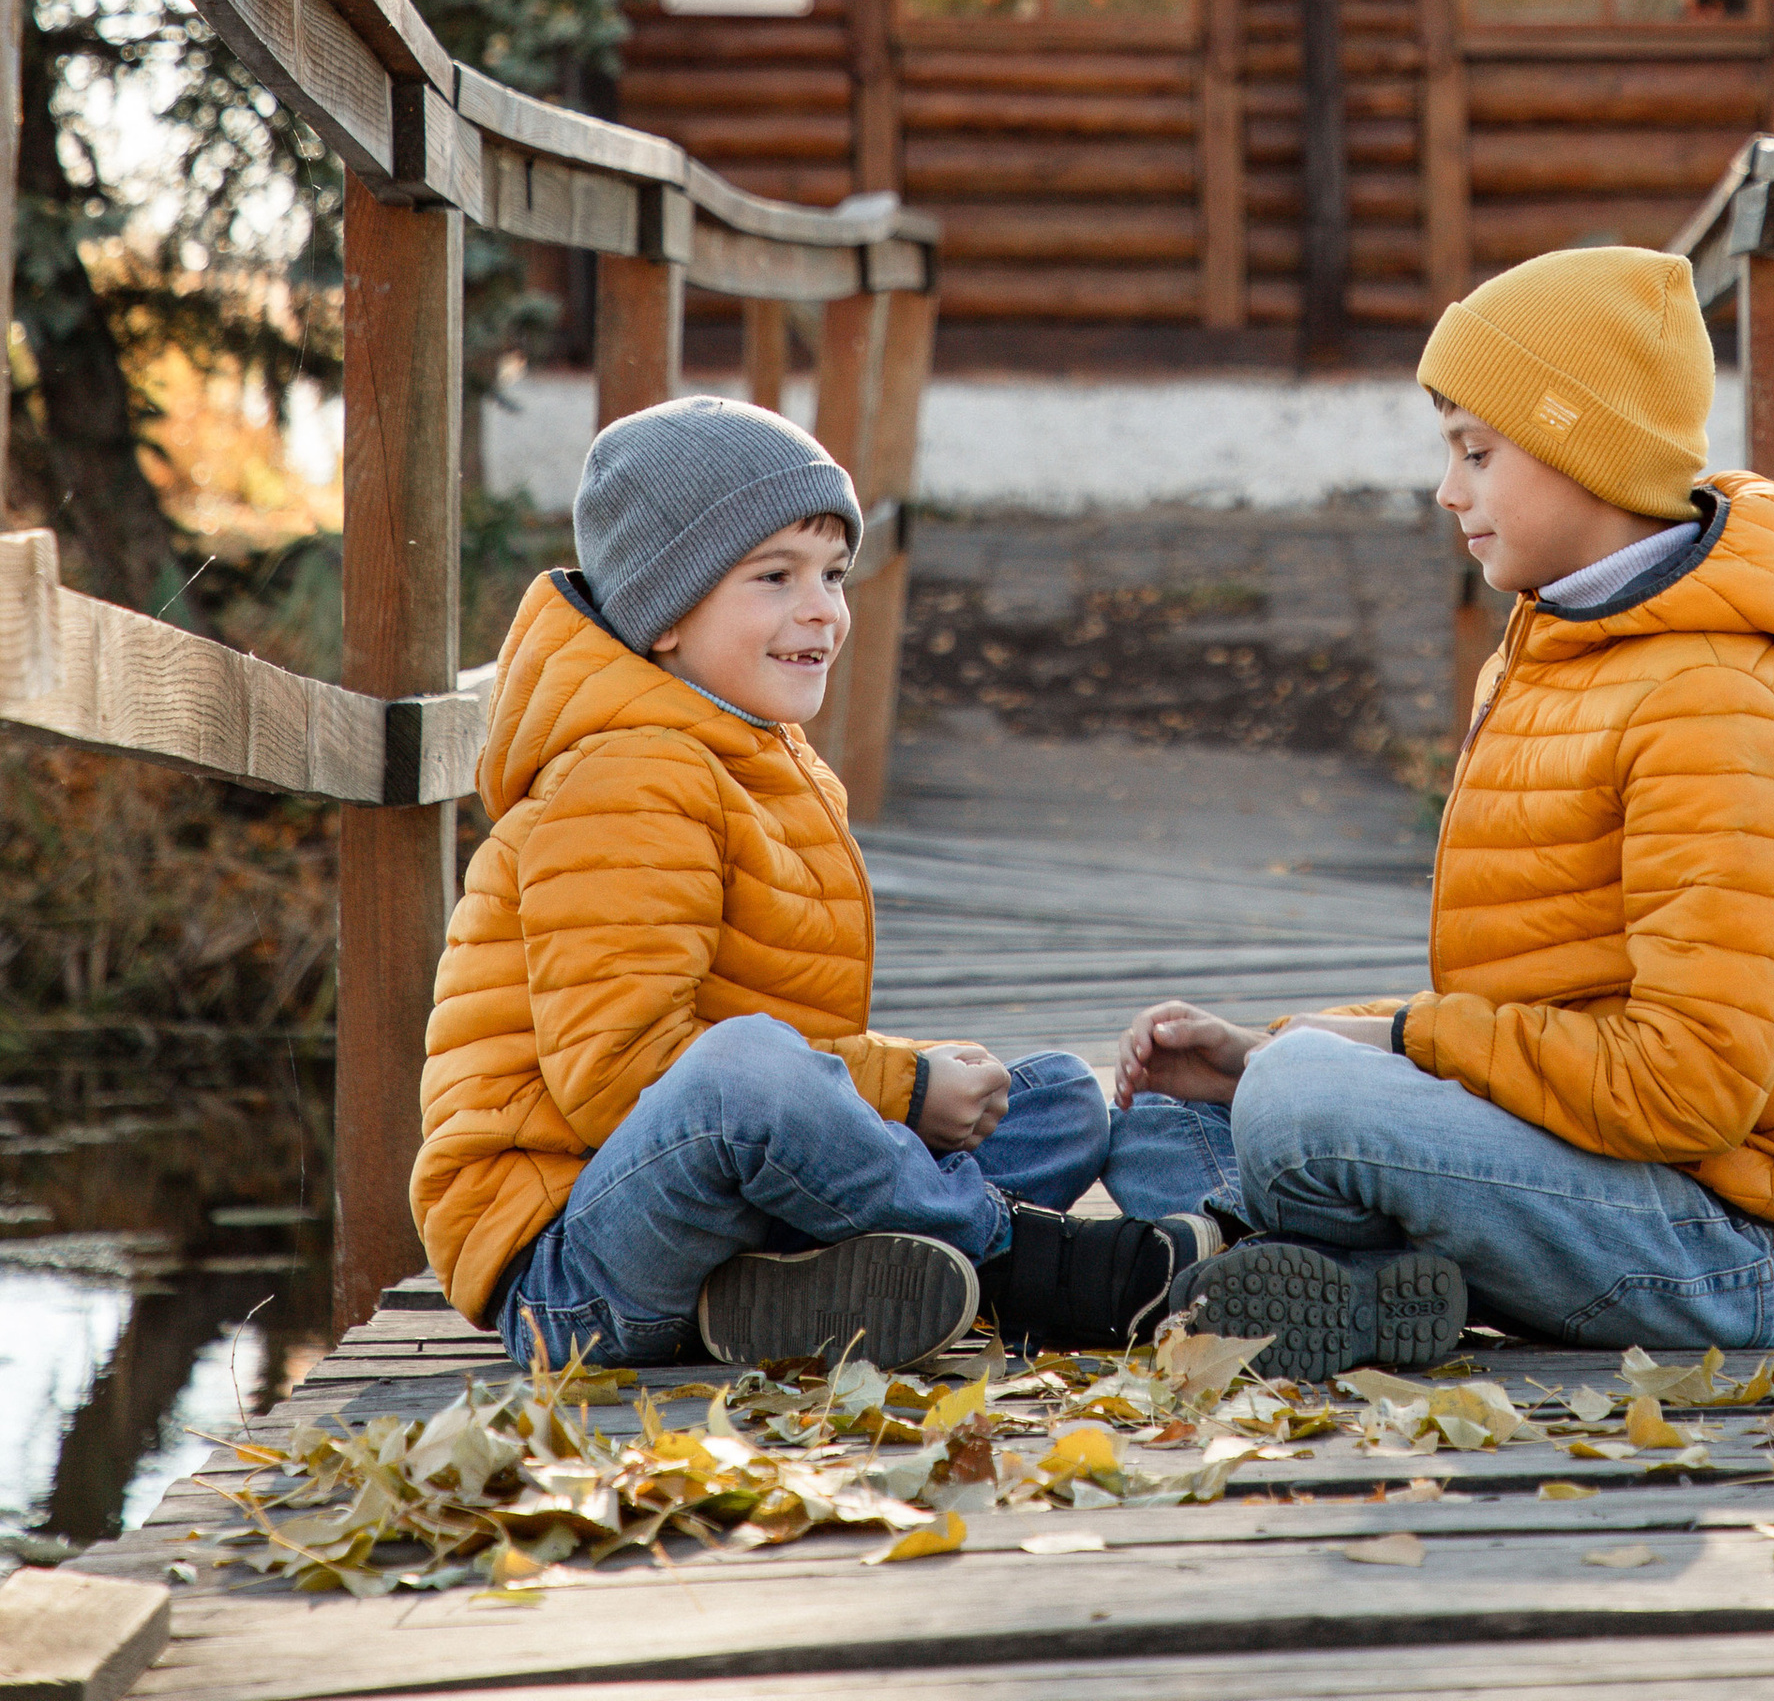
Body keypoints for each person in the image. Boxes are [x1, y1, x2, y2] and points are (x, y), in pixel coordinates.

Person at [1103, 246, 1774, 1375]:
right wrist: (1260, 1051)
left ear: (1592, 455)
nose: (1448, 490)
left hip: (1726, 1245)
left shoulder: (1717, 708)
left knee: (1298, 1103)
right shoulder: (1560, 657)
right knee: (1165, 1118)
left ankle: (1250, 1253)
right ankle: (1357, 1288)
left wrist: (1382, 1043)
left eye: (1477, 452)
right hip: (1602, 1174)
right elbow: (1529, 1007)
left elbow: (1684, 1087)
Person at [411, 393, 1212, 1369]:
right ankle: (1022, 1257)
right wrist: (900, 1087)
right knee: (749, 1072)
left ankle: (801, 1290)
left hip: (718, 1208)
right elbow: (624, 1076)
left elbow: (772, 1048)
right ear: (664, 613)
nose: (822, 609)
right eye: (774, 576)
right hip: (577, 1271)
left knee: (1049, 1097)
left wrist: (917, 1076)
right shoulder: (624, 774)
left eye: (834, 574)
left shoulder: (751, 753)